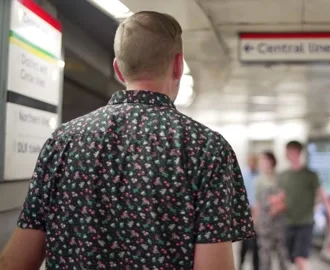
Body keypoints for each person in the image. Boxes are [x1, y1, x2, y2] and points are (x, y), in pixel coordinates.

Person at [0, 11, 255, 270]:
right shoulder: (207, 149)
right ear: (178, 65)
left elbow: (16, 262)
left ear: (118, 69)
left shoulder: (62, 142)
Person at [279, 141, 330, 270]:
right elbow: (281, 198)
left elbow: (325, 198)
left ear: (296, 152)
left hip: (305, 222)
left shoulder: (310, 175)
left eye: (288, 152)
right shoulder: (283, 176)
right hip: (288, 222)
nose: (286, 155)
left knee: (300, 258)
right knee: (291, 258)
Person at [254, 151, 288, 270]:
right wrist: (255, 222)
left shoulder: (280, 178)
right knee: (265, 257)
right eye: (261, 160)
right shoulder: (259, 180)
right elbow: (258, 203)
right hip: (264, 223)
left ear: (272, 161)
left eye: (265, 160)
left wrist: (277, 205)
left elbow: (286, 197)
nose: (262, 163)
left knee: (282, 254)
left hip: (279, 221)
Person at [239, 154, 260, 270]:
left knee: (256, 243)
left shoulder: (259, 175)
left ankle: (255, 266)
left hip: (257, 212)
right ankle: (241, 265)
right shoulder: (243, 174)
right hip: (246, 212)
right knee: (245, 243)